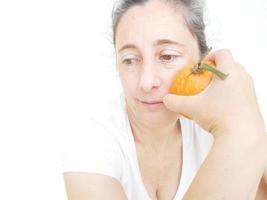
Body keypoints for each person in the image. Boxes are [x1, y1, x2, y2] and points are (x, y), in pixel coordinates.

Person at [62, 0, 267, 199]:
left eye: (167, 56)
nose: (146, 82)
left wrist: (240, 120)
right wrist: (241, 128)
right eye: (130, 60)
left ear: (202, 61)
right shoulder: (91, 141)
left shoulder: (216, 125)